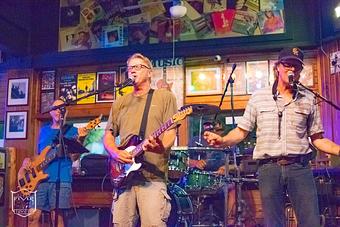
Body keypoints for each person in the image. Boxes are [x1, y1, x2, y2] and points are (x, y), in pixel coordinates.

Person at [204, 47, 340, 227]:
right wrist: (222, 140)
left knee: (311, 221)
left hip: (299, 167)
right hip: (269, 168)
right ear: (277, 67)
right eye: (287, 65)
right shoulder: (258, 97)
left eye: (296, 67)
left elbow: (318, 138)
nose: (291, 69)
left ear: (300, 72)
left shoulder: (308, 98)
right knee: (273, 222)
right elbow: (241, 131)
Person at [103, 53, 178, 227]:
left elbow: (170, 133)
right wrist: (115, 153)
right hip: (123, 178)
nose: (133, 71)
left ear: (150, 73)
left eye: (138, 67)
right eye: (130, 68)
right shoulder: (120, 102)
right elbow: (108, 134)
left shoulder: (164, 97)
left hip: (152, 177)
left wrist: (160, 148)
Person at [18, 99, 88, 227]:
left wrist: (81, 139)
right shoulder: (43, 131)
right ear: (50, 111)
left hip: (61, 179)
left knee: (57, 218)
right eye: (55, 108)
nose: (58, 111)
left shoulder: (72, 131)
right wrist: (28, 160)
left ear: (65, 112)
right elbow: (38, 155)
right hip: (39, 181)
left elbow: (74, 157)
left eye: (61, 108)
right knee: (32, 217)